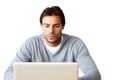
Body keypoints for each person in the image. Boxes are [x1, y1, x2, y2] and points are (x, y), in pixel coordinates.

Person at [4, 6, 101, 80]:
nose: (51, 31)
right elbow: (8, 74)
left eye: (56, 26)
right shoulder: (31, 44)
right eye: (47, 26)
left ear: (63, 26)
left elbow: (94, 74)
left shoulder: (75, 44)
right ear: (41, 26)